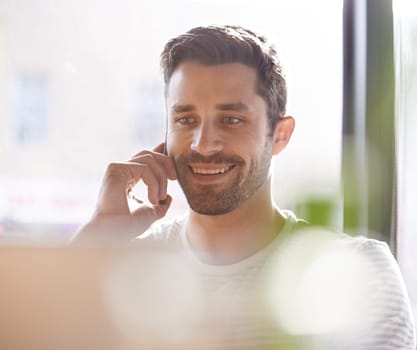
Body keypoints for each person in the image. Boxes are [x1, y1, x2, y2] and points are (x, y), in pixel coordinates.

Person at [75, 25, 416, 349]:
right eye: (185, 119)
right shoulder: (125, 267)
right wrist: (100, 234)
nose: (203, 145)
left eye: (231, 120)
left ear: (279, 135)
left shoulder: (354, 273)